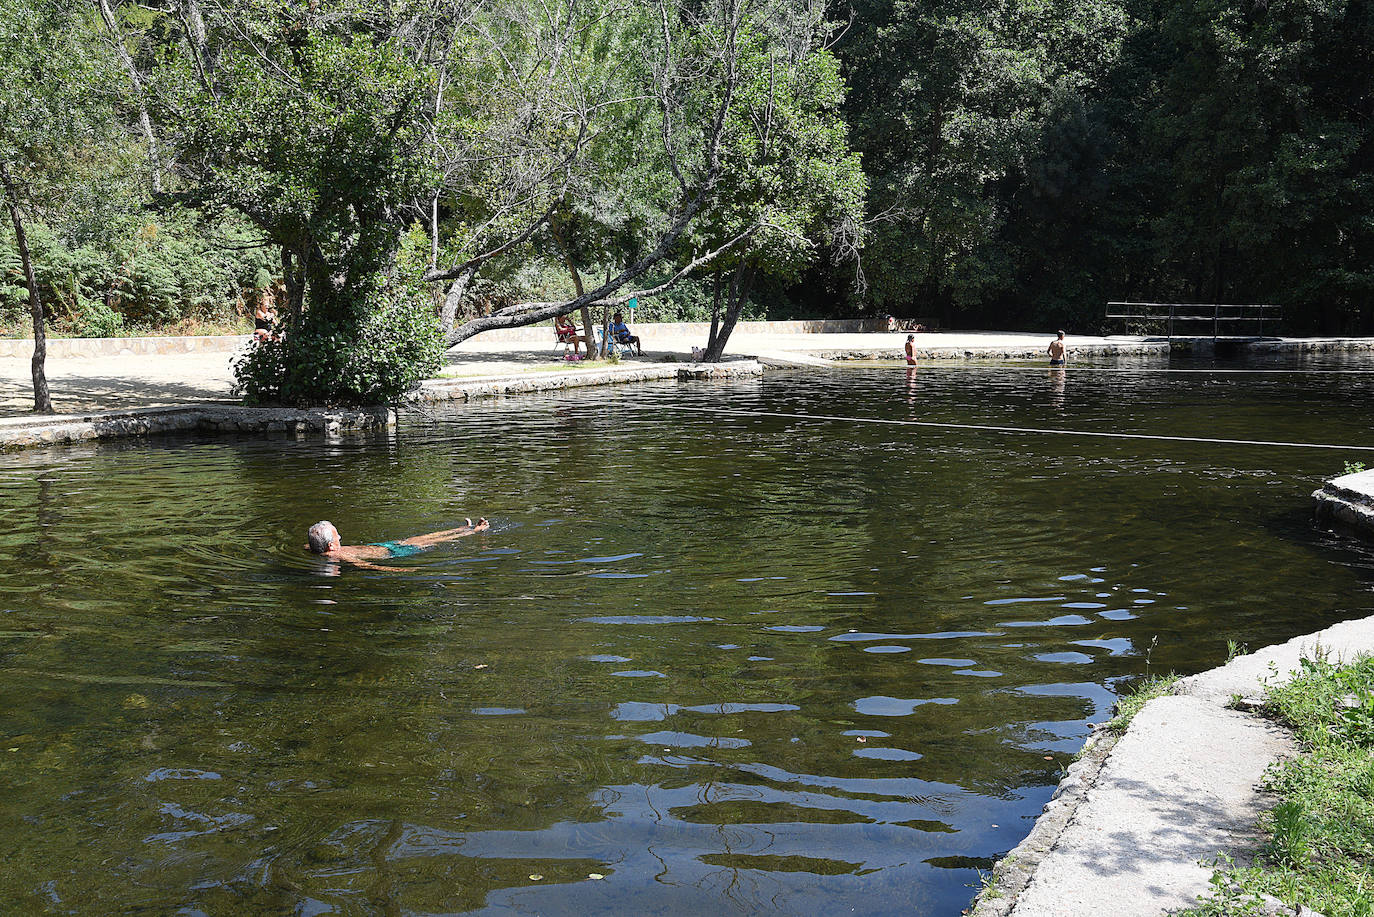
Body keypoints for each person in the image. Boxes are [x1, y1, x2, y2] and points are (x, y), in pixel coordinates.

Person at [305, 518, 489, 571]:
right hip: (393, 553)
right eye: (338, 537)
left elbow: (310, 545)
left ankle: (461, 528)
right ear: (330, 546)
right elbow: (367, 565)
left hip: (384, 545)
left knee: (423, 536)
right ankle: (474, 531)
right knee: (431, 540)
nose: (341, 537)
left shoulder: (317, 548)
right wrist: (399, 571)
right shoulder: (340, 555)